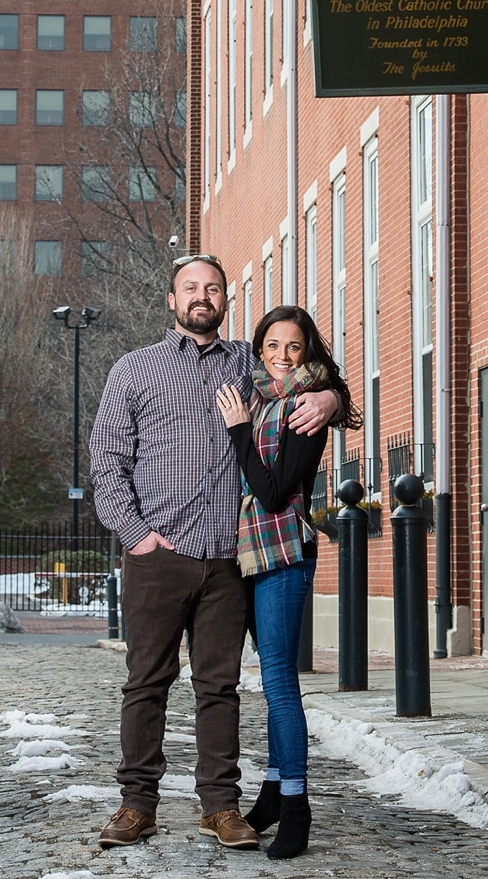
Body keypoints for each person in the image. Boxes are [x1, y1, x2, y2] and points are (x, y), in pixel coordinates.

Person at [90, 255, 339, 850]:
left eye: (214, 288)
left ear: (226, 300)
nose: (203, 297)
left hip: (229, 559)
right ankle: (136, 804)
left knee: (219, 687)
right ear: (171, 299)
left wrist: (331, 398)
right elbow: (106, 465)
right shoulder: (133, 370)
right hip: (157, 556)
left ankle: (221, 807)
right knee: (146, 682)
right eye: (191, 288)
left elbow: (304, 368)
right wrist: (139, 538)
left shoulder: (248, 368)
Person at [216, 305, 361, 859]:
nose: (281, 357)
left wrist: (236, 435)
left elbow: (274, 492)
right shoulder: (257, 398)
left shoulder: (306, 406)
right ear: (260, 350)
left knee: (279, 682)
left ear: (308, 352)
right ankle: (274, 793)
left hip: (282, 556)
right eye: (272, 346)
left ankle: (297, 808)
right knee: (271, 679)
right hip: (247, 557)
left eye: (293, 348)